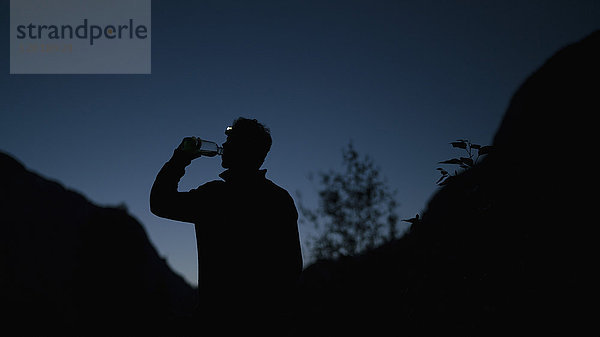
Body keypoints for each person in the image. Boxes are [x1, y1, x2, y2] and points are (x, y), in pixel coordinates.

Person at [150, 117, 303, 335]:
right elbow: (292, 267)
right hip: (265, 323)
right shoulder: (278, 199)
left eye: (231, 141)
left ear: (244, 149)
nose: (225, 145)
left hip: (216, 321)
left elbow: (159, 203)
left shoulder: (215, 197)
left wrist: (180, 158)